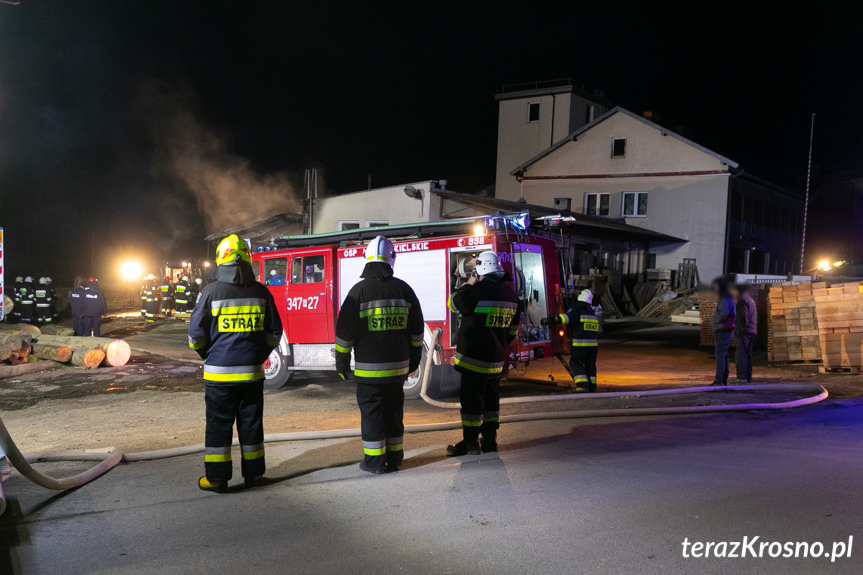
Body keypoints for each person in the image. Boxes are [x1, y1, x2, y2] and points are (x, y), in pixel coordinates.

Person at [188, 234, 282, 493]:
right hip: (251, 374)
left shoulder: (210, 292)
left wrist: (208, 354)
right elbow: (275, 332)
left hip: (219, 376)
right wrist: (260, 353)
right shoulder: (261, 292)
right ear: (247, 259)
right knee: (251, 425)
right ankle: (255, 476)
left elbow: (195, 336)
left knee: (218, 425)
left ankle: (217, 479)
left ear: (221, 259)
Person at [335, 236, 424, 474]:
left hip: (368, 372)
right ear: (391, 260)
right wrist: (413, 362)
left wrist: (342, 363)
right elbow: (417, 333)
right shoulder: (405, 290)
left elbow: (344, 334)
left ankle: (374, 463)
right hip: (397, 372)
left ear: (367, 259)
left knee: (372, 415)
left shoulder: (358, 292)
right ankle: (395, 460)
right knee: (394, 414)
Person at [446, 251, 521, 456]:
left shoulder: (475, 291)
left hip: (473, 360)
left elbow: (453, 304)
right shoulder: (512, 296)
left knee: (471, 402)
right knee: (491, 401)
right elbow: (512, 333)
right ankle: (489, 441)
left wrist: (468, 284)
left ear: (480, 271)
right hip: (495, 361)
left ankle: (470, 443)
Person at [546, 288, 600, 392]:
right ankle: (592, 387)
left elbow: (567, 318)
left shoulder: (578, 308)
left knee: (576, 363)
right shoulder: (592, 312)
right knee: (590, 366)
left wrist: (552, 320)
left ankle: (582, 386)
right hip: (593, 347)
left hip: (580, 346)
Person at [711, 276, 736, 386]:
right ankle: (723, 378)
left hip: (723, 329)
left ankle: (719, 379)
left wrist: (715, 322)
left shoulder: (725, 299)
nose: (714, 287)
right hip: (727, 329)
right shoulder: (729, 297)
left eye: (715, 285)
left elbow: (723, 313)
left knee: (720, 355)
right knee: (723, 354)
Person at [734, 284, 757, 384]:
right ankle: (748, 376)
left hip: (745, 332)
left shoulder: (742, 301)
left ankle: (741, 377)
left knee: (741, 354)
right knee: (748, 355)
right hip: (752, 331)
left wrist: (739, 330)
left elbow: (743, 318)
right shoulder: (750, 300)